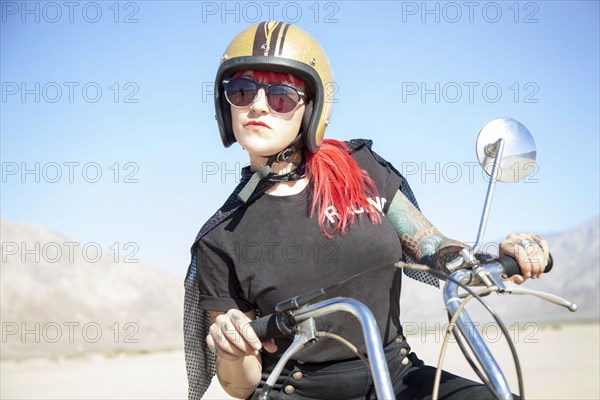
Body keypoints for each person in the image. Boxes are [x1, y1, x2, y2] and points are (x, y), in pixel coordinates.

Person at [183, 21, 550, 400]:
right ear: (224, 104)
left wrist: (490, 259)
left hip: (398, 376)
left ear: (312, 107)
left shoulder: (360, 170)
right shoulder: (220, 238)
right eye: (241, 91)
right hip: (296, 391)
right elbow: (239, 385)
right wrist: (232, 350)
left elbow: (434, 248)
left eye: (281, 95)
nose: (258, 105)